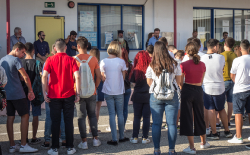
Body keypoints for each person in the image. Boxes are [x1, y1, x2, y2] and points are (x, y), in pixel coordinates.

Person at [42, 39, 80, 155]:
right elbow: (77, 77)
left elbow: (44, 76)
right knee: (68, 121)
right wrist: (77, 93)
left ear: (55, 48)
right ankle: (69, 147)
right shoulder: (71, 60)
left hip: (53, 95)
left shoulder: (49, 59)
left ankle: (54, 148)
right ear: (66, 48)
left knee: (55, 121)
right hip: (69, 95)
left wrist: (45, 93)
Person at [0, 42, 37, 153]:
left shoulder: (2, 60)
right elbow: (25, 76)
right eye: (22, 52)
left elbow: (7, 76)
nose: (23, 55)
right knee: (25, 116)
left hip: (6, 94)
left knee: (10, 117)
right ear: (16, 49)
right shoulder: (16, 60)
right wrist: (30, 90)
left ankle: (12, 145)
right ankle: (23, 145)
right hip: (18, 93)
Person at [146, 41, 181, 155]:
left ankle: (157, 150)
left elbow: (149, 82)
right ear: (166, 50)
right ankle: (171, 150)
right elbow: (179, 81)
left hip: (156, 96)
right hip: (171, 95)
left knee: (156, 124)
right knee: (171, 124)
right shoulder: (174, 64)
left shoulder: (151, 65)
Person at [180, 42, 210, 154]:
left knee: (187, 118)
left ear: (186, 52)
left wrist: (184, 89)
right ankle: (203, 142)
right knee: (199, 115)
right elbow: (201, 80)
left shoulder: (183, 65)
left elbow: (180, 82)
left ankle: (191, 147)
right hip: (198, 90)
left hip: (187, 89)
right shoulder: (202, 64)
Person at [200, 39, 233, 140]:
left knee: (210, 109)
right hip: (219, 86)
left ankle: (214, 133)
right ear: (215, 47)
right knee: (221, 108)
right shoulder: (221, 57)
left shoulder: (202, 58)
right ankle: (227, 131)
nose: (218, 47)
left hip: (207, 86)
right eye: (218, 46)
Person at [74, 37, 102, 150]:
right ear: (87, 46)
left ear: (78, 46)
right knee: (92, 115)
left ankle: (84, 142)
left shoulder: (73, 59)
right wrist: (95, 87)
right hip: (91, 92)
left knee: (81, 117)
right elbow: (99, 76)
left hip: (78, 92)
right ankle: (95, 139)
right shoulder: (93, 59)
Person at [100, 41, 129, 145]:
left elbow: (102, 77)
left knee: (112, 114)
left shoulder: (103, 61)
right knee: (120, 114)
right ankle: (121, 136)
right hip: (119, 90)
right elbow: (124, 76)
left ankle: (114, 139)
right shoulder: (121, 62)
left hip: (108, 90)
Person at [41, 44, 67, 149]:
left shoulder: (48, 61)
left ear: (53, 51)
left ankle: (47, 140)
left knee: (49, 117)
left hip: (50, 93)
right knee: (62, 117)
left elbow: (44, 78)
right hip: (63, 93)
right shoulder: (66, 60)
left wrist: (44, 93)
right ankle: (64, 139)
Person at [228, 39, 250, 145]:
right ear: (249, 48)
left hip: (239, 89)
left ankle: (239, 137)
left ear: (240, 49)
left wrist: (237, 82)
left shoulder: (237, 60)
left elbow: (232, 75)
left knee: (238, 113)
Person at [21, 43, 43, 145]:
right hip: (35, 92)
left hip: (23, 92)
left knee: (25, 115)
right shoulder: (37, 62)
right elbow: (41, 76)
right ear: (33, 51)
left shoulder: (20, 62)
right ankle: (34, 137)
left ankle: (24, 138)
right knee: (35, 115)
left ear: (24, 51)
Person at [130, 50, 151, 144]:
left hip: (137, 95)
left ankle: (135, 137)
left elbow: (133, 84)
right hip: (148, 95)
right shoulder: (151, 69)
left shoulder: (135, 70)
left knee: (137, 117)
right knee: (146, 117)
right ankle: (145, 138)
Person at [220, 37, 237, 128]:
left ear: (225, 44)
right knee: (230, 102)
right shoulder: (235, 55)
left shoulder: (222, 55)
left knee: (221, 102)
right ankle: (228, 120)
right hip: (233, 80)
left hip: (223, 80)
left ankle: (220, 121)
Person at [89, 48, 103, 133]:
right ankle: (94, 128)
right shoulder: (100, 63)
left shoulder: (88, 62)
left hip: (90, 87)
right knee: (97, 109)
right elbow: (101, 76)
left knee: (90, 110)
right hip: (99, 86)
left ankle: (91, 128)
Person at [121, 48, 133, 131]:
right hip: (128, 88)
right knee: (125, 108)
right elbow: (131, 78)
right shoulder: (130, 65)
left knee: (116, 109)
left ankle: (113, 126)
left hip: (119, 88)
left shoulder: (118, 63)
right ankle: (123, 127)